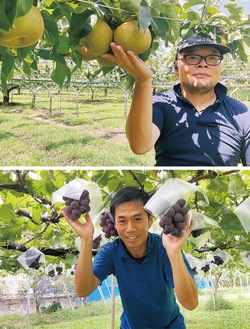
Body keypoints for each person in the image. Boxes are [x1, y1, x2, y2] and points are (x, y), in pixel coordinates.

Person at [102, 34, 250, 166]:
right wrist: (143, 81)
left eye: (212, 58)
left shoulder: (242, 114)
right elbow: (140, 145)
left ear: (220, 67)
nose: (203, 63)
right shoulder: (162, 103)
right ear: (176, 67)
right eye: (192, 57)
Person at [64, 187, 198, 329]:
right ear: (114, 224)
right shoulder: (111, 252)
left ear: (150, 220)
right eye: (122, 221)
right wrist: (86, 239)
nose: (130, 228)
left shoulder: (165, 248)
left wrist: (174, 252)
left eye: (137, 219)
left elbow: (191, 303)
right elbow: (82, 290)